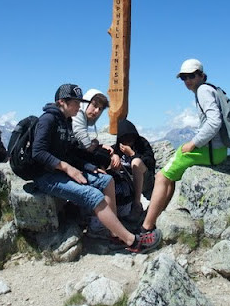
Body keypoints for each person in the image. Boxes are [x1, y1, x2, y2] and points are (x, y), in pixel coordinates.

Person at [30, 83, 161, 254]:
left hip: (59, 171)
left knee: (107, 180)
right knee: (93, 194)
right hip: (46, 176)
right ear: (62, 102)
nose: (79, 106)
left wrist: (88, 167)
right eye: (76, 102)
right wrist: (68, 168)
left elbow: (70, 153)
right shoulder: (48, 119)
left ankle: (113, 234)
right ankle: (132, 241)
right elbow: (37, 152)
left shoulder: (65, 122)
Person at [141, 59, 228, 234]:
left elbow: (214, 121)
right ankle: (159, 217)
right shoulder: (211, 89)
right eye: (183, 77)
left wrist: (193, 143)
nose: (187, 80)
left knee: (161, 176)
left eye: (191, 76)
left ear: (201, 75)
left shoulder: (203, 91)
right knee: (170, 176)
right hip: (219, 150)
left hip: (210, 151)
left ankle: (146, 227)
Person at [112, 119, 156, 221]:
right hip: (129, 182)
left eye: (131, 138)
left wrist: (132, 154)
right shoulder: (118, 147)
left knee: (136, 162)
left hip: (145, 181)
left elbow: (149, 162)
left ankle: (137, 204)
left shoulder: (142, 143)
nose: (128, 141)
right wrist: (114, 155)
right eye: (125, 139)